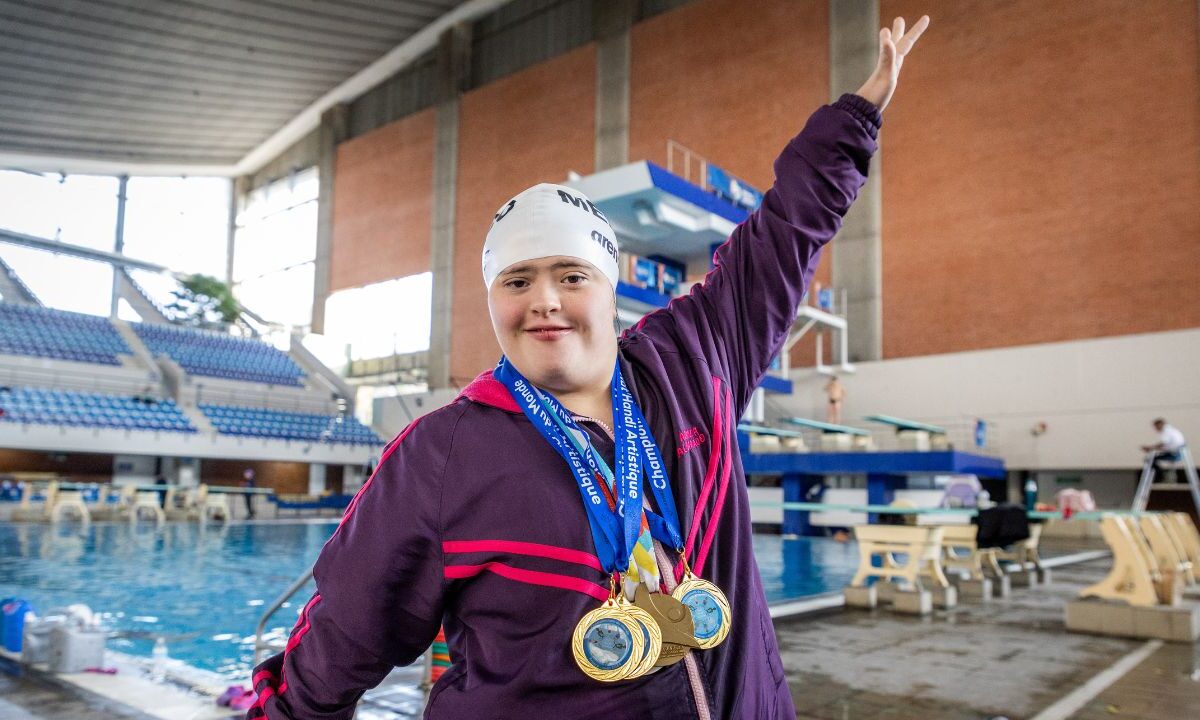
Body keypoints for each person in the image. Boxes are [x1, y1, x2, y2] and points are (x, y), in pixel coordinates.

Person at [248, 15, 929, 720]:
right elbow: (344, 634)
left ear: (609, 287)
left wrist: (855, 117)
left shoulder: (692, 365)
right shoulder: (443, 454)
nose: (544, 301)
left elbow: (784, 236)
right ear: (493, 302)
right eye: (516, 282)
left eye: (571, 275)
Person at [1141, 418, 1187, 483]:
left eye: (1155, 427)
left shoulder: (1166, 431)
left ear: (1160, 424)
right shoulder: (1171, 430)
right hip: (1176, 451)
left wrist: (1150, 448)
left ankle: (1162, 475)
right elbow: (1167, 445)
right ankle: (1163, 474)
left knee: (1149, 459)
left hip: (1175, 453)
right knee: (1152, 458)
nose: (1155, 429)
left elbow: (1164, 443)